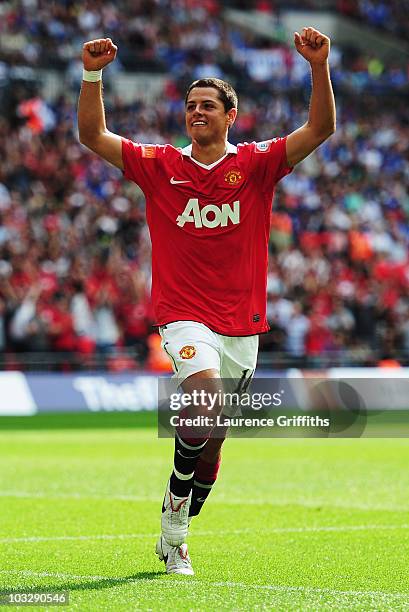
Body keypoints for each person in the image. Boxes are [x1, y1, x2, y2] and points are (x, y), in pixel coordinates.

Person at [78, 27, 336, 575]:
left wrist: (318, 67)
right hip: (184, 316)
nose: (196, 112)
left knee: (213, 436)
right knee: (203, 398)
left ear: (229, 116)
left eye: (207, 106)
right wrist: (92, 75)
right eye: (191, 105)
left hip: (241, 323)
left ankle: (185, 505)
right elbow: (93, 135)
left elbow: (320, 127)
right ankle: (174, 525)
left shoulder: (259, 164)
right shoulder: (158, 165)